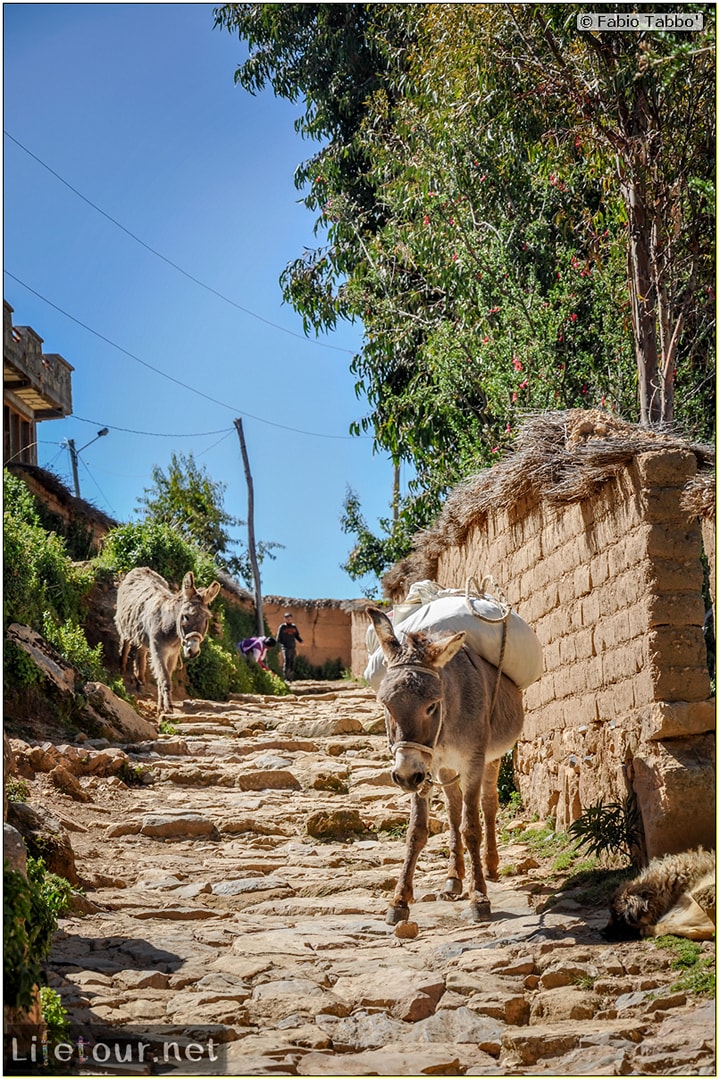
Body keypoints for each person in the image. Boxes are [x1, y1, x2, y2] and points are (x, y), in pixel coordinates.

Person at [276, 613, 303, 681]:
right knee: (287, 661)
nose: (289, 620)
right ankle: (286, 677)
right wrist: (277, 647)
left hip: (292, 646)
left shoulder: (294, 627)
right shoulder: (282, 627)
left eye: (290, 619)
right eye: (287, 619)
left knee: (292, 662)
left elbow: (296, 635)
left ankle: (291, 677)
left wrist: (301, 641)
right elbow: (278, 638)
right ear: (284, 619)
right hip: (285, 647)